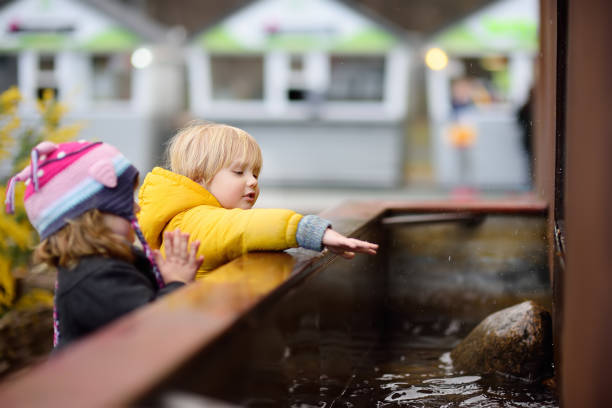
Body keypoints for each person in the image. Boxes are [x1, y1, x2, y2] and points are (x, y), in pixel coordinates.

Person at [4, 140, 203, 349]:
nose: (136, 208)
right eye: (125, 200)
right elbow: (150, 329)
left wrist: (162, 278)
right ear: (93, 218)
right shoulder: (93, 278)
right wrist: (176, 283)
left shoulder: (108, 265)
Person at [137, 122, 378, 279]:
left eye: (255, 174)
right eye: (239, 173)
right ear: (199, 179)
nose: (252, 181)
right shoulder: (189, 223)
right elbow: (243, 228)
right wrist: (309, 231)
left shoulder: (196, 217)